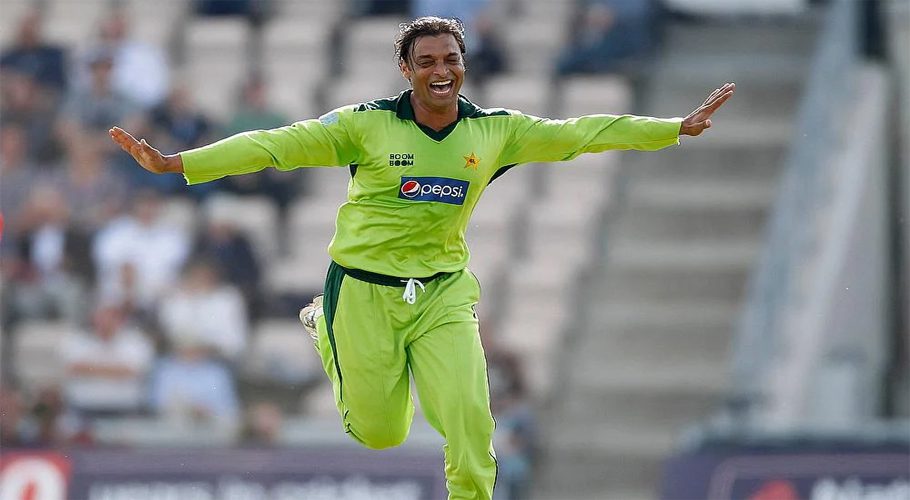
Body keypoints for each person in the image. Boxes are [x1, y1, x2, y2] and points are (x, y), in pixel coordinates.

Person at [109, 16, 734, 500]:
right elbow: (276, 146)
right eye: (427, 60)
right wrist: (179, 164)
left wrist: (673, 128)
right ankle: (322, 330)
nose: (441, 70)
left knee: (470, 419)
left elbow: (580, 134)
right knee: (381, 434)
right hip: (363, 290)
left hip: (441, 291)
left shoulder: (494, 131)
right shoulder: (367, 126)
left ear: (464, 67)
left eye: (451, 59)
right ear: (405, 70)